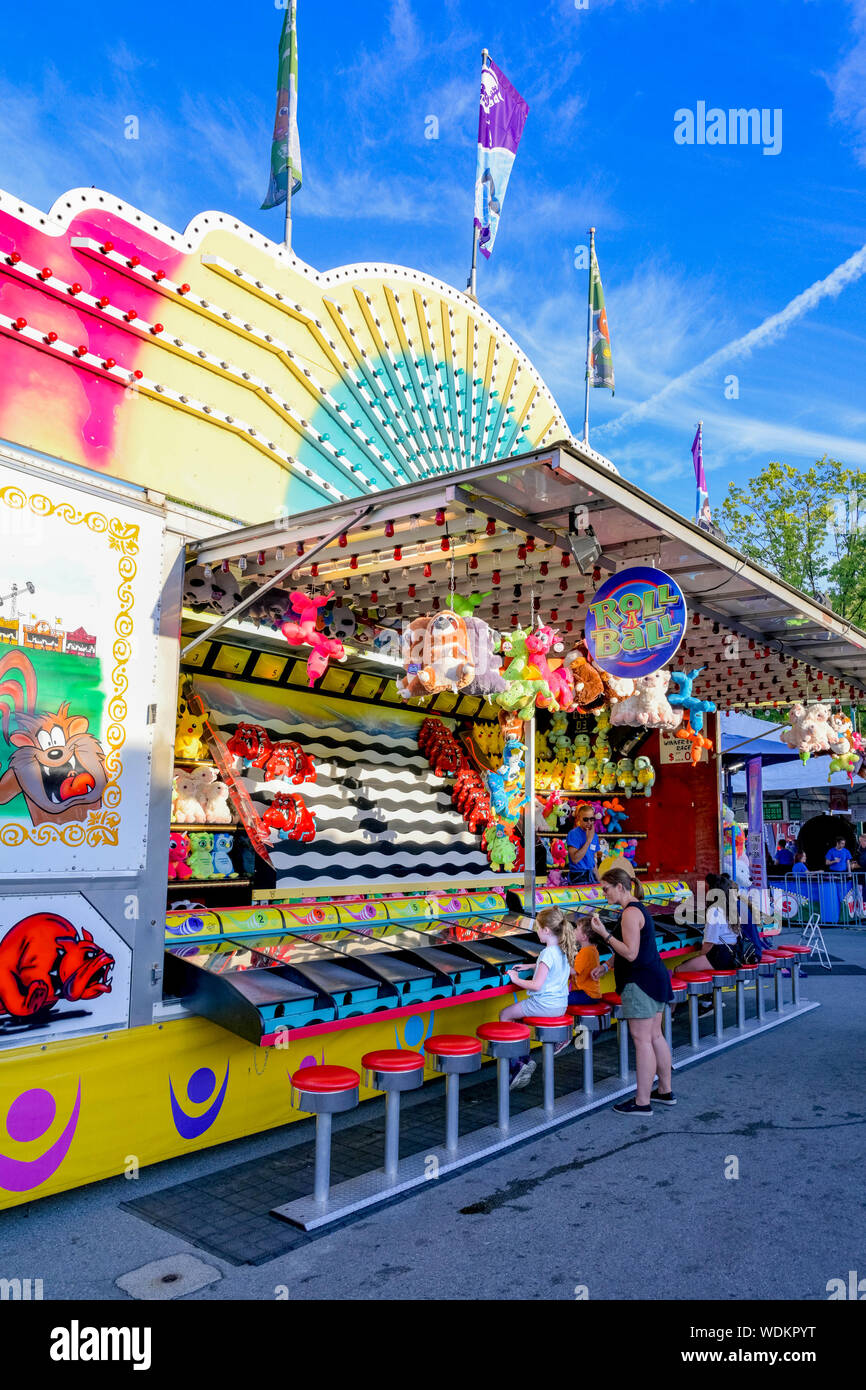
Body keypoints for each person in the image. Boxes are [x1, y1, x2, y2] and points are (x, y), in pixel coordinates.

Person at [588, 867, 674, 1115]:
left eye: (606, 889)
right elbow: (631, 947)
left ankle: (642, 1101)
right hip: (655, 977)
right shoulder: (638, 909)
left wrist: (604, 934)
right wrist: (606, 966)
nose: (604, 894)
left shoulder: (629, 914)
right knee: (656, 1036)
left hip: (640, 982)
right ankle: (665, 1090)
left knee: (643, 1040)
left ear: (620, 887)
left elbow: (630, 952)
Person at [500, 906, 576, 1090]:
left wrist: (516, 979)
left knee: (505, 1015)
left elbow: (536, 986)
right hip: (560, 1005)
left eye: (538, 929)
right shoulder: (562, 949)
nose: (536, 933)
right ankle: (523, 1056)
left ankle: (516, 1064)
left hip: (543, 1004)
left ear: (546, 930)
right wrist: (529, 967)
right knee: (518, 1018)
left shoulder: (547, 953)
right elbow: (550, 967)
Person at [678, 872, 740, 1010]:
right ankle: (709, 999)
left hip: (719, 956)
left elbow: (709, 944)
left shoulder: (714, 911)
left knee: (679, 969)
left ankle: (672, 1012)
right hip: (731, 956)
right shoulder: (731, 909)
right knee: (692, 965)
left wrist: (698, 956)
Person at [553, 915, 601, 1056]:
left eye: (576, 929)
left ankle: (563, 1037)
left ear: (584, 936)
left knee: (559, 1001)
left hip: (585, 994)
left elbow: (574, 971)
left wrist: (557, 965)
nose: (573, 931)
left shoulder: (585, 952)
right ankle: (592, 1030)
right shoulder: (592, 949)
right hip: (591, 994)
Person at [566, 803, 600, 884]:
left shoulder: (594, 835)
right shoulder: (573, 834)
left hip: (591, 875)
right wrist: (588, 841)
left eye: (592, 819)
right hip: (578, 876)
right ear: (578, 818)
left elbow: (593, 860)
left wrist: (599, 880)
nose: (589, 822)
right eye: (586, 819)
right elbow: (575, 859)